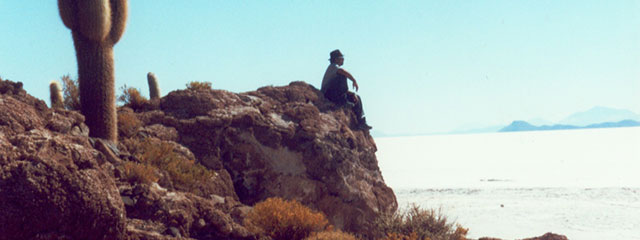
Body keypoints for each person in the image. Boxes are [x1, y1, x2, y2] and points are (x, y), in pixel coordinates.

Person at [321, 49, 372, 130]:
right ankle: (343, 101)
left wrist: (352, 94)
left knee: (357, 97)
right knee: (342, 76)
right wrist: (353, 80)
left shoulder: (335, 69)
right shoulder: (333, 67)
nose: (343, 60)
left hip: (336, 93)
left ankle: (361, 121)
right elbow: (343, 72)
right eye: (341, 58)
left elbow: (340, 88)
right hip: (329, 95)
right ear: (336, 59)